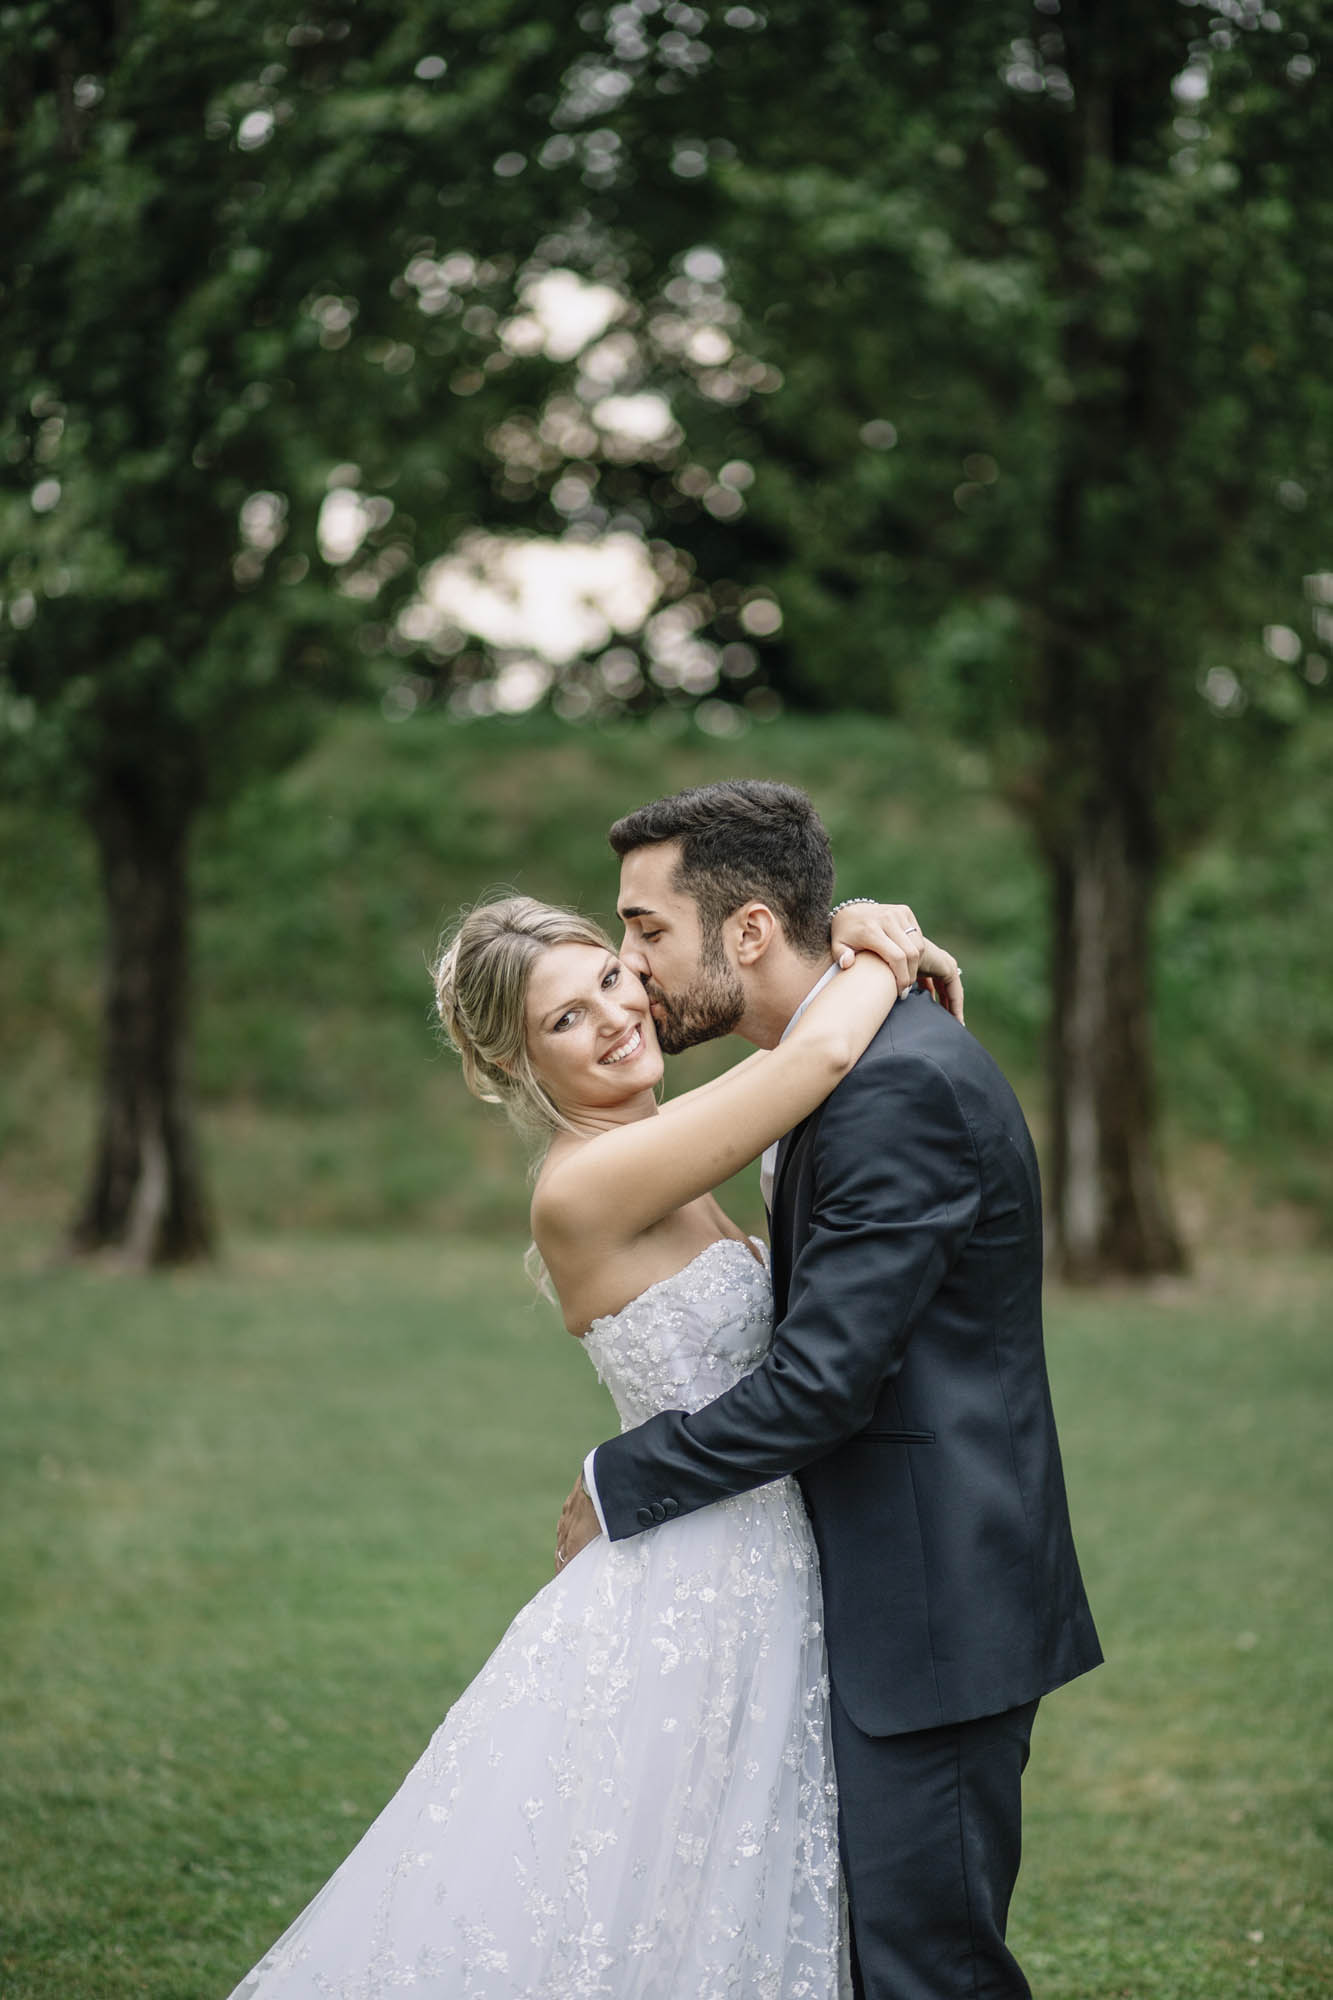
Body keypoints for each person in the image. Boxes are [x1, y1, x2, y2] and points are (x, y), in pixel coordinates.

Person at [226, 883, 957, 1998]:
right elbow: (809, 1065)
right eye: (564, 1018)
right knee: (626, 1893)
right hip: (689, 1588)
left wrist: (857, 942)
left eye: (611, 976)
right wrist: (872, 943)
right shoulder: (586, 1185)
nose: (615, 1014)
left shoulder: (661, 1138)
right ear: (515, 1067)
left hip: (755, 1564)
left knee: (714, 1889)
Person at [557, 779, 1103, 2000]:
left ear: (747, 928)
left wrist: (619, 1475)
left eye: (645, 932)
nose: (632, 971)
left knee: (926, 1970)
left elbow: (817, 1388)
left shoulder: (890, 1085)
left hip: (934, 1603)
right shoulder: (828, 1067)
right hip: (874, 1592)